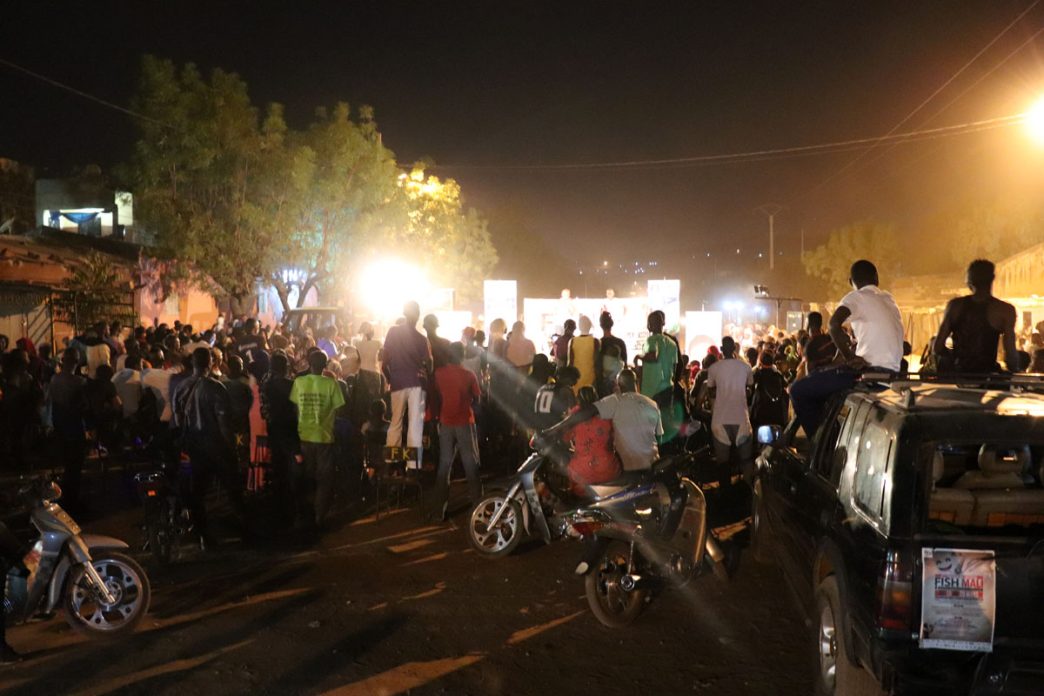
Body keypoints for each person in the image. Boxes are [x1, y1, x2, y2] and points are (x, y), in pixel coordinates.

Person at [790, 260, 903, 438]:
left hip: (869, 371)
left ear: (851, 281)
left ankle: (822, 441)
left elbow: (833, 324)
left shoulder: (856, 297)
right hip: (893, 372)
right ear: (876, 278)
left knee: (798, 390)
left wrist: (849, 357)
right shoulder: (889, 299)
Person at [172, 347, 240, 546]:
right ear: (210, 363)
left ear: (193, 363)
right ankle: (244, 530)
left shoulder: (180, 387)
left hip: (193, 448)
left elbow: (178, 420)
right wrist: (231, 448)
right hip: (216, 447)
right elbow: (224, 425)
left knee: (197, 494)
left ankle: (204, 537)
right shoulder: (216, 388)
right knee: (233, 489)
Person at [544, 368, 661, 472]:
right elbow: (659, 438)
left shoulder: (615, 401)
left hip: (628, 468)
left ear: (619, 385)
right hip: (653, 465)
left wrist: (552, 430)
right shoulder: (652, 404)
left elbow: (585, 413)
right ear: (636, 382)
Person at [289, 350, 345, 530]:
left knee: (307, 477)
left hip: (303, 436)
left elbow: (294, 409)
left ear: (309, 364)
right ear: (325, 366)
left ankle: (304, 515)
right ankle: (319, 516)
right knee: (324, 479)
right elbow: (339, 409)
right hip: (324, 437)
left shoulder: (299, 382)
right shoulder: (332, 384)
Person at [932, 259, 1019, 374]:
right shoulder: (1005, 310)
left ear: (969, 281)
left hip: (958, 376)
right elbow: (1011, 356)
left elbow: (937, 347)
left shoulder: (954, 306)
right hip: (987, 376)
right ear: (992, 278)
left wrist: (955, 357)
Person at [428, 342, 483, 521]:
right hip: (465, 421)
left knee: (444, 465)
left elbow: (436, 395)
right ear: (463, 355)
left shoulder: (439, 374)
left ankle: (438, 511)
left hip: (445, 422)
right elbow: (478, 398)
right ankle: (479, 508)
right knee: (471, 464)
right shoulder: (469, 375)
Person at [383, 302, 432, 467]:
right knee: (415, 424)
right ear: (418, 316)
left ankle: (391, 461)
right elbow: (429, 364)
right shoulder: (422, 339)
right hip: (417, 383)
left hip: (397, 382)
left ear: (404, 313)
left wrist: (391, 379)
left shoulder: (392, 332)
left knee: (395, 422)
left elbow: (384, 362)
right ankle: (413, 466)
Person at [701, 336, 754, 483]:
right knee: (746, 461)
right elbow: (750, 389)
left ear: (721, 350)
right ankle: (748, 491)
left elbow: (711, 392)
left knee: (723, 464)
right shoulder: (746, 367)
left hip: (720, 419)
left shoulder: (713, 368)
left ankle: (725, 492)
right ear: (735, 349)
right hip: (741, 418)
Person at [48, 348, 89, 511]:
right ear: (77, 362)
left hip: (59, 426)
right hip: (74, 427)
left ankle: (64, 498)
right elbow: (84, 406)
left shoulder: (54, 379)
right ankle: (72, 500)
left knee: (67, 465)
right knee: (75, 467)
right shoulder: (79, 382)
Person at [261, 351, 298, 521]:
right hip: (289, 427)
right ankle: (289, 503)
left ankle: (278, 500)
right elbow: (295, 407)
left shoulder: (265, 384)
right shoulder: (290, 384)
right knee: (290, 464)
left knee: (278, 463)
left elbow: (264, 409)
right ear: (285, 367)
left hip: (273, 426)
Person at [563, 386, 620, 495]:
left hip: (581, 473)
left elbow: (565, 438)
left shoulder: (574, 415)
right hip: (608, 470)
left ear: (578, 401)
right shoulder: (606, 413)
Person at [637, 310, 679, 439]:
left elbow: (653, 355)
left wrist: (639, 357)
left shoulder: (651, 340)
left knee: (651, 426)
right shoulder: (672, 343)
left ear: (649, 326)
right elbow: (675, 367)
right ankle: (666, 447)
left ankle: (655, 447)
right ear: (663, 323)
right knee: (666, 423)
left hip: (651, 390)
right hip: (667, 387)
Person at [533, 366, 580, 431]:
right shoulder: (565, 390)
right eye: (574, 379)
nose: (575, 383)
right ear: (567, 378)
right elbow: (575, 411)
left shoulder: (542, 388)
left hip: (538, 427)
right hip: (554, 428)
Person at [750, 351, 788, 430]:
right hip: (776, 413)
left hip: (761, 413)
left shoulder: (758, 374)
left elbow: (750, 385)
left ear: (760, 362)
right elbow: (785, 384)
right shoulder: (778, 375)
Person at [568, 315, 600, 393]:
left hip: (576, 380)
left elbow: (570, 363)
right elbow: (597, 363)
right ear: (590, 326)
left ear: (579, 327)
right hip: (591, 379)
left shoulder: (572, 341)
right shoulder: (595, 341)